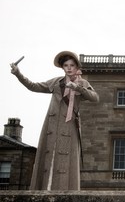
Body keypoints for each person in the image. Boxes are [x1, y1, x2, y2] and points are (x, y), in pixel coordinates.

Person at [10, 51, 99, 190]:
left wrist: (79, 88)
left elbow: (95, 97)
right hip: (51, 125)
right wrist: (18, 74)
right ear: (62, 67)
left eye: (72, 65)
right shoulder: (56, 82)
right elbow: (33, 86)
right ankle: (45, 189)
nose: (69, 68)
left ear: (76, 67)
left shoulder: (82, 82)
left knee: (66, 160)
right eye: (66, 65)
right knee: (48, 156)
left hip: (69, 126)